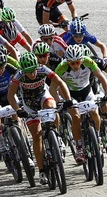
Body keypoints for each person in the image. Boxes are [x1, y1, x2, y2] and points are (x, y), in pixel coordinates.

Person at [8, 52, 74, 185]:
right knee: (37, 135)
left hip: (43, 96)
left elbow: (60, 83)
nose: (32, 74)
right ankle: (42, 170)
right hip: (28, 104)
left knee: (52, 106)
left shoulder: (43, 69)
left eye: (33, 70)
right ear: (23, 70)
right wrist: (18, 110)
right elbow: (10, 96)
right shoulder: (19, 75)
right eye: (28, 72)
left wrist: (68, 100)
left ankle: (57, 135)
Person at [54, 45, 107, 164]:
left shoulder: (88, 61)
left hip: (86, 91)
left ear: (82, 59)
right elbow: (52, 88)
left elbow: (102, 78)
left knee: (95, 112)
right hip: (70, 95)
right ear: (67, 62)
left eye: (78, 62)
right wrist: (60, 102)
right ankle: (79, 147)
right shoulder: (61, 67)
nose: (75, 66)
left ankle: (98, 138)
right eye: (72, 63)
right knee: (76, 117)